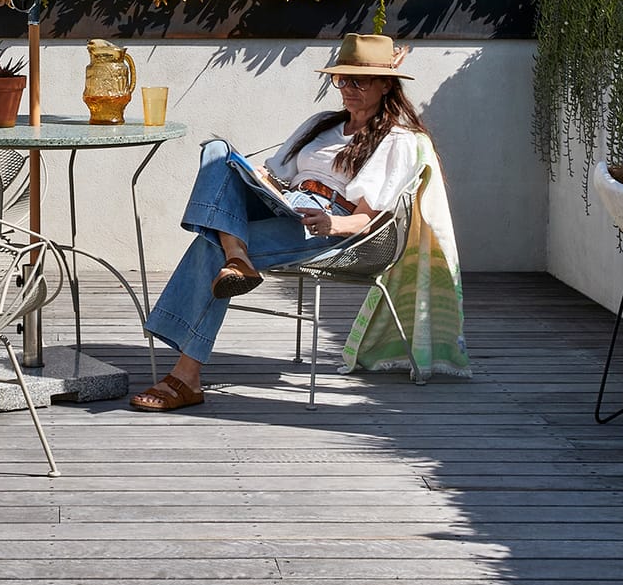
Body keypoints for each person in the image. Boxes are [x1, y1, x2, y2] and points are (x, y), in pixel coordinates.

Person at [130, 33, 430, 411]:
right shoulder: (322, 123)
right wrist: (255, 178)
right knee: (217, 150)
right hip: (286, 202)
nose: (348, 89)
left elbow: (367, 221)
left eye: (359, 80)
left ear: (386, 85)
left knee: (211, 245)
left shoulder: (396, 139)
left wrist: (332, 225)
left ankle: (187, 373)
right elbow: (277, 173)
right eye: (342, 79)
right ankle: (236, 254)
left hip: (324, 222)